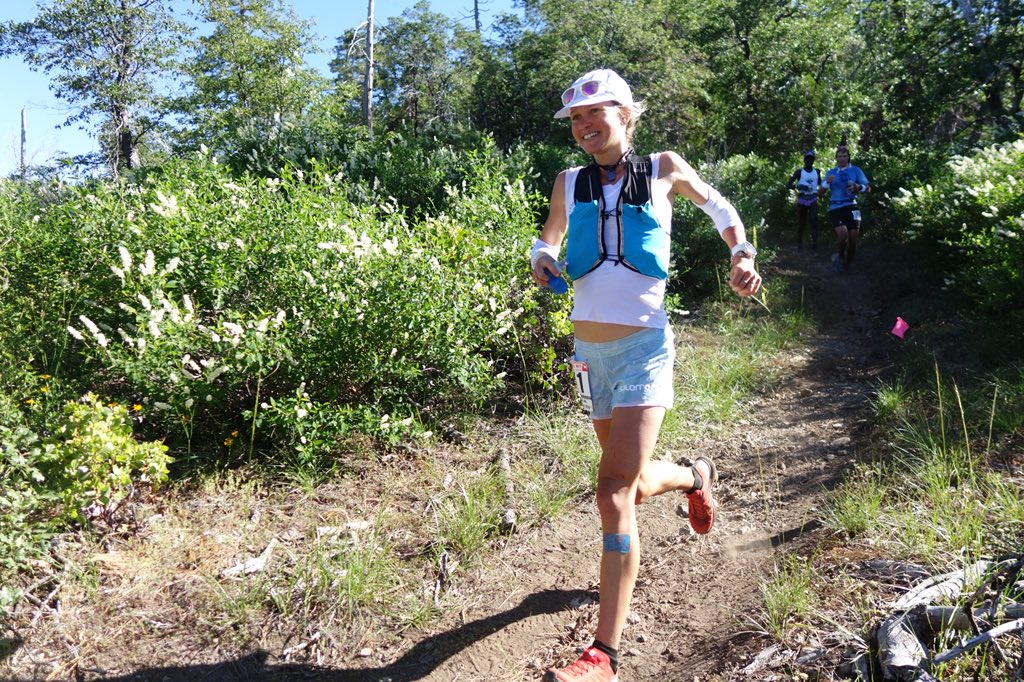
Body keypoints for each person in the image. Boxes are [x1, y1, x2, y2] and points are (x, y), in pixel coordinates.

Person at [530, 68, 762, 682]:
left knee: (611, 493)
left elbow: (721, 208)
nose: (584, 126)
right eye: (575, 119)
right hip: (589, 354)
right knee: (628, 487)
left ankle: (603, 653)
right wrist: (543, 258)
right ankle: (693, 476)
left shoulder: (661, 167)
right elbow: (549, 237)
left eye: (595, 113)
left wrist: (742, 255)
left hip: (644, 349)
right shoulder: (568, 181)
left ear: (626, 114)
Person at [818, 144, 869, 273]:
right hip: (836, 207)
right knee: (843, 234)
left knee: (853, 239)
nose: (842, 159)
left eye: (844, 156)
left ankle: (848, 264)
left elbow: (868, 188)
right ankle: (840, 256)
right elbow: (819, 192)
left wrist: (858, 187)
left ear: (848, 157)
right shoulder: (831, 172)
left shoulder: (856, 170)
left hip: (853, 206)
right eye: (839, 156)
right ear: (836, 158)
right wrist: (826, 183)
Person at [785, 149, 822, 250]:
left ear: (813, 160)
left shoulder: (817, 172)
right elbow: (788, 185)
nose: (809, 161)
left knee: (814, 221)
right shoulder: (799, 172)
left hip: (813, 198)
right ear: (804, 160)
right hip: (802, 199)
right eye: (807, 158)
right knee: (802, 223)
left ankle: (815, 244)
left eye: (811, 159)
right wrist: (799, 186)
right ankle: (799, 243)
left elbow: (821, 184)